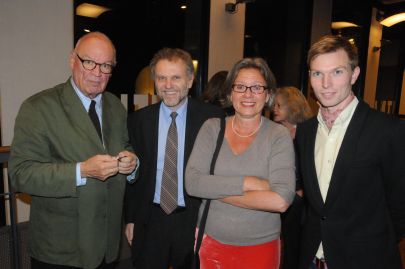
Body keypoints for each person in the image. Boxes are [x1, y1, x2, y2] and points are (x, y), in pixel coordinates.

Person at [8, 32, 137, 269]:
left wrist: (132, 164)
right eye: (89, 62)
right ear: (72, 60)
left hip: (109, 246)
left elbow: (125, 146)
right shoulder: (38, 108)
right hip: (60, 250)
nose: (98, 73)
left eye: (106, 66)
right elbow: (20, 174)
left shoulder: (115, 107)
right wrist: (82, 171)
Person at [295, 35, 405, 269]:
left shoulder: (388, 130)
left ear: (354, 74)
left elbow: (400, 205)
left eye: (337, 72)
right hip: (313, 259)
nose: (326, 84)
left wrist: (373, 246)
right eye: (317, 73)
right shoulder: (305, 132)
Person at [185, 57, 296, 269]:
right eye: (240, 86)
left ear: (268, 94)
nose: (248, 94)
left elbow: (280, 201)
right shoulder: (211, 128)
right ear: (230, 93)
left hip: (260, 247)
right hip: (211, 242)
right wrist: (249, 182)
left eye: (256, 87)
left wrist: (215, 190)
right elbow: (192, 183)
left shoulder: (278, 135)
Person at [124, 48, 224, 269]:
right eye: (162, 78)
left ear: (189, 80)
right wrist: (131, 218)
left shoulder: (213, 119)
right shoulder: (138, 120)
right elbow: (134, 174)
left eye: (175, 77)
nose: (168, 85)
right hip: (150, 220)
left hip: (194, 219)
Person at [272, 86, 313, 269]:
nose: (274, 109)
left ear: (292, 107)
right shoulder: (274, 131)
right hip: (280, 195)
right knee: (287, 246)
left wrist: (301, 192)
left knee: (299, 246)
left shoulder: (309, 132)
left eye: (279, 105)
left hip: (302, 201)